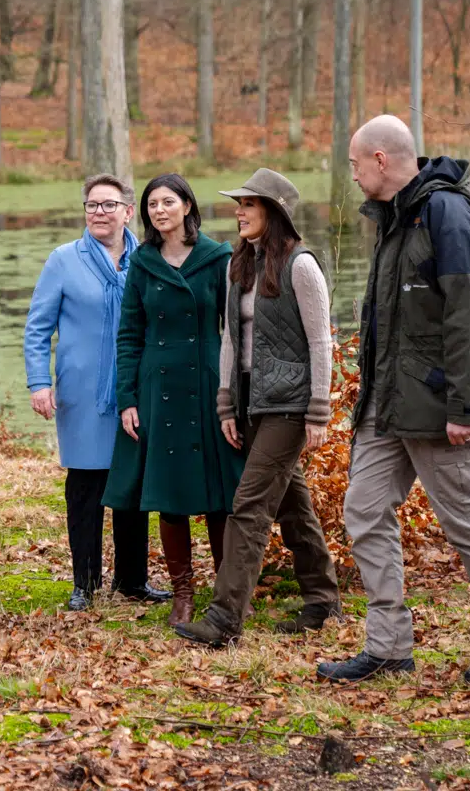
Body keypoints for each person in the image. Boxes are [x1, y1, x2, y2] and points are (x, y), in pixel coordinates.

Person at [317, 115, 470, 684]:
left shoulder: (446, 213)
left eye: (357, 163)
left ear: (382, 160)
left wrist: (466, 409)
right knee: (363, 512)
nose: (354, 174)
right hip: (388, 404)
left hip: (438, 407)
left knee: (463, 521)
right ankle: (388, 648)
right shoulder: (394, 218)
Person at [173, 168, 344, 648]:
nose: (239, 211)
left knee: (248, 504)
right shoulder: (241, 264)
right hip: (251, 400)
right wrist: (226, 404)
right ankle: (323, 602)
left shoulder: (301, 266)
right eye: (239, 204)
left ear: (274, 212)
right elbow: (231, 338)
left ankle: (224, 619)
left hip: (290, 405)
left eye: (249, 204)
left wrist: (318, 410)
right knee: (293, 503)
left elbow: (320, 342)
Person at [24, 174, 173, 611]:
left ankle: (132, 581)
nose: (99, 213)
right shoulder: (63, 260)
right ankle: (84, 583)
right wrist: (39, 382)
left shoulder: (149, 260)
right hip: (83, 395)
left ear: (129, 211)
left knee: (131, 486)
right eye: (92, 205)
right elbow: (37, 328)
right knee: (86, 487)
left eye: (109, 205)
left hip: (136, 392)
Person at [104, 174, 244, 626]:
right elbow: (129, 334)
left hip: (207, 383)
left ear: (187, 205)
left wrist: (234, 394)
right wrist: (128, 398)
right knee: (169, 493)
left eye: (167, 202)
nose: (158, 211)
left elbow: (237, 331)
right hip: (157, 389)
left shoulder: (218, 257)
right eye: (151, 205)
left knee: (220, 494)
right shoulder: (142, 262)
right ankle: (182, 593)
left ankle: (227, 594)